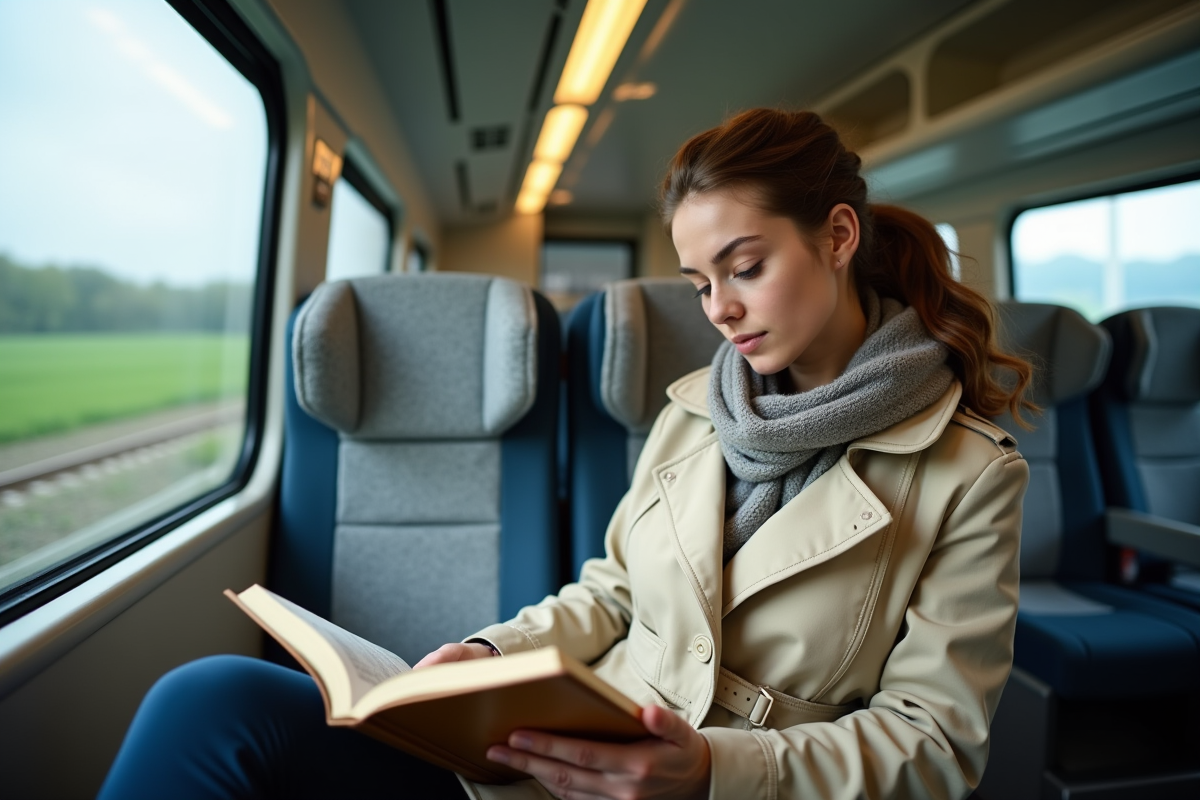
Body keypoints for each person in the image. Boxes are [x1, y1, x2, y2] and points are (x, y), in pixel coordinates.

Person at [98, 108, 1032, 800]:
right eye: (701, 283)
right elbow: (613, 592)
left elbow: (936, 745)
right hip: (554, 763)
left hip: (732, 789)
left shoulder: (970, 475)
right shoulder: (698, 413)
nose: (720, 311)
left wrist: (713, 770)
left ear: (837, 237)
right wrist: (486, 650)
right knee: (214, 697)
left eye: (745, 268)